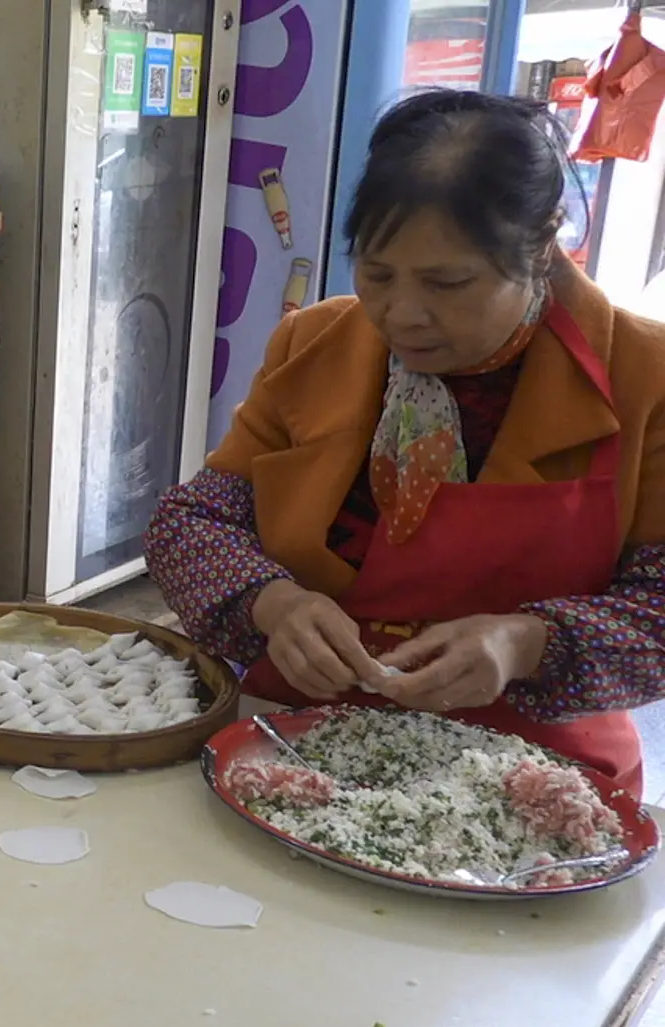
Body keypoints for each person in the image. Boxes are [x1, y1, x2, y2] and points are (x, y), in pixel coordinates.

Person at [146, 88, 665, 794]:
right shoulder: (315, 345)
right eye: (378, 274)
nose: (402, 314)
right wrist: (274, 604)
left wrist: (524, 642)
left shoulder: (646, 378)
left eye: (448, 282)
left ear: (542, 247)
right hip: (300, 741)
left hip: (531, 773)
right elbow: (192, 521)